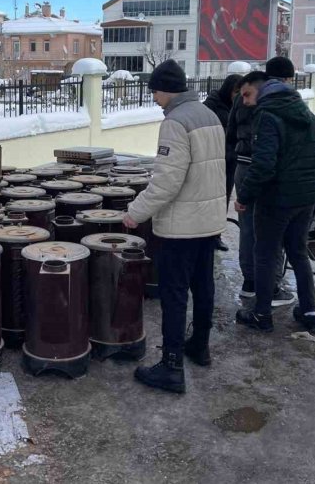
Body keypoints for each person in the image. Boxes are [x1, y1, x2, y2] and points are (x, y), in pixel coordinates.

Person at [123, 59, 226, 394]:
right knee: (203, 285)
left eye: (154, 90)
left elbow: (166, 182)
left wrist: (135, 213)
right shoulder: (209, 116)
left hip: (182, 226)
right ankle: (200, 346)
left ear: (165, 89)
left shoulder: (175, 122)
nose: (153, 97)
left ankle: (171, 367)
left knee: (174, 293)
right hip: (208, 222)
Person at [234, 57, 315, 333]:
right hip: (305, 197)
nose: (246, 102)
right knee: (297, 252)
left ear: (261, 88)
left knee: (265, 254)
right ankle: (309, 311)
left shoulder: (267, 114)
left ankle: (262, 314)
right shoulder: (305, 112)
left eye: (247, 94)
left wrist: (244, 196)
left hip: (277, 198)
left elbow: (263, 164)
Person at [227, 68, 295, 306]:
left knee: (247, 228)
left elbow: (231, 133)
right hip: (264, 169)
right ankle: (272, 287)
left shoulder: (240, 99)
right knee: (269, 230)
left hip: (242, 167)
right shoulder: (274, 102)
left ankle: (250, 282)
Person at [203, 73, 242, 252]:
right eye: (236, 92)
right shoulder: (211, 105)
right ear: (228, 90)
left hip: (230, 161)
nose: (238, 96)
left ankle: (216, 236)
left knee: (223, 199)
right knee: (208, 198)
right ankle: (204, 235)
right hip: (212, 160)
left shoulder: (239, 107)